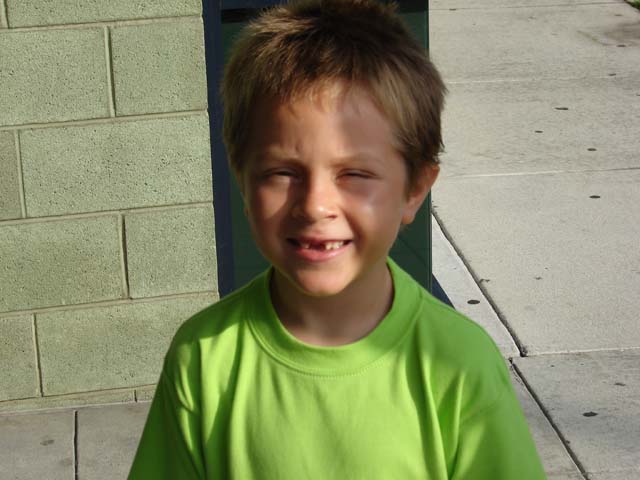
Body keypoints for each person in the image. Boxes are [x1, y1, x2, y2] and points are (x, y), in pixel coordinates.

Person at [129, 1, 546, 478]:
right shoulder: (202, 357)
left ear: (414, 190)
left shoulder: (460, 365)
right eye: (282, 172)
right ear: (242, 180)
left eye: (354, 174)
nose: (315, 205)